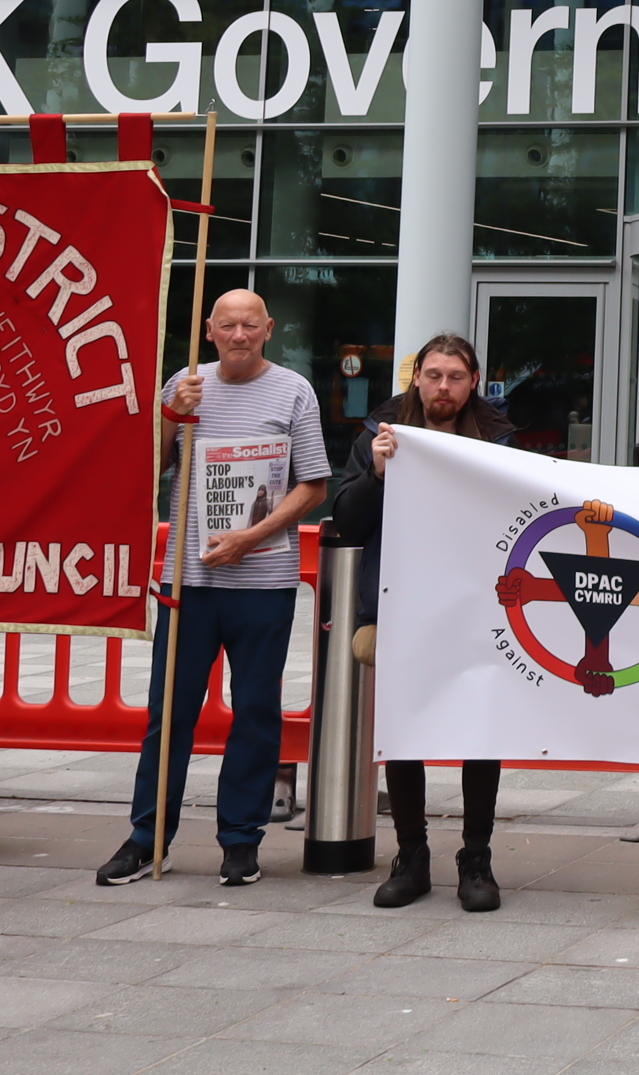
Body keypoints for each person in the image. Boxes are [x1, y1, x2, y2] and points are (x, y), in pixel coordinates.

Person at [97, 290, 330, 888]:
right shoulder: (185, 382)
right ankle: (148, 837)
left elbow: (314, 485)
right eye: (227, 325)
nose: (239, 335)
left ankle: (240, 840)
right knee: (168, 711)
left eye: (250, 325)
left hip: (262, 580)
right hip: (189, 578)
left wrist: (251, 537)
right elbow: (145, 470)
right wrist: (172, 416)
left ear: (269, 329)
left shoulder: (294, 391)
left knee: (255, 711)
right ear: (209, 330)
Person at [332, 334, 512, 912]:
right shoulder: (380, 434)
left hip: (478, 606)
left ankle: (476, 857)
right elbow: (348, 523)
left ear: (474, 380)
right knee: (404, 733)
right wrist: (377, 475)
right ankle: (411, 855)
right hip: (401, 603)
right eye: (433, 375)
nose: (442, 387)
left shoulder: (499, 438)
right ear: (416, 378)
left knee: (482, 732)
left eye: (455, 377)